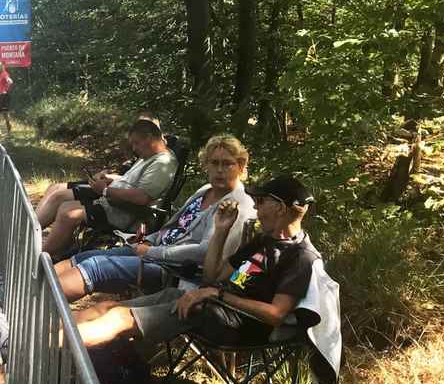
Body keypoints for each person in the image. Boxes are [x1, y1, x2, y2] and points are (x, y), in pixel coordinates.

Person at [69, 175, 319, 353]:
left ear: (280, 208)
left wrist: (217, 294)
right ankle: (44, 334)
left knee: (121, 319)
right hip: (208, 302)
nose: (255, 207)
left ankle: (49, 352)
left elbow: (275, 315)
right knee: (110, 307)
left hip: (231, 322)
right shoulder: (261, 241)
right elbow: (212, 277)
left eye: (262, 202)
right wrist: (221, 231)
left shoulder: (300, 256)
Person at [53, 135, 255, 302]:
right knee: (85, 257)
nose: (219, 170)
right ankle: (32, 288)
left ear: (241, 166)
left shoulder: (238, 204)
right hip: (153, 251)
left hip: (175, 270)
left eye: (227, 164)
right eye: (214, 163)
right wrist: (149, 240)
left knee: (96, 267)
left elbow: (203, 252)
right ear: (206, 166)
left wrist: (153, 251)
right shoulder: (205, 190)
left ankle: (38, 311)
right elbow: (173, 225)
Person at [35, 119, 178, 257]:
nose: (134, 149)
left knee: (68, 213)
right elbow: (130, 180)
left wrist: (104, 190)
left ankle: (40, 258)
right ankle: (50, 250)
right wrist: (110, 178)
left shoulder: (162, 163)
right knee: (66, 206)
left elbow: (141, 198)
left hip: (127, 214)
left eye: (136, 143)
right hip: (114, 203)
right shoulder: (149, 156)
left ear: (149, 138)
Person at [0, 61, 14, 134]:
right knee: (5, 114)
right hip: (1, 96)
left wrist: (6, 91)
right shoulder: (1, 74)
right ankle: (9, 130)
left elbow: (10, 81)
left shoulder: (4, 74)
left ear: (3, 66)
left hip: (3, 97)